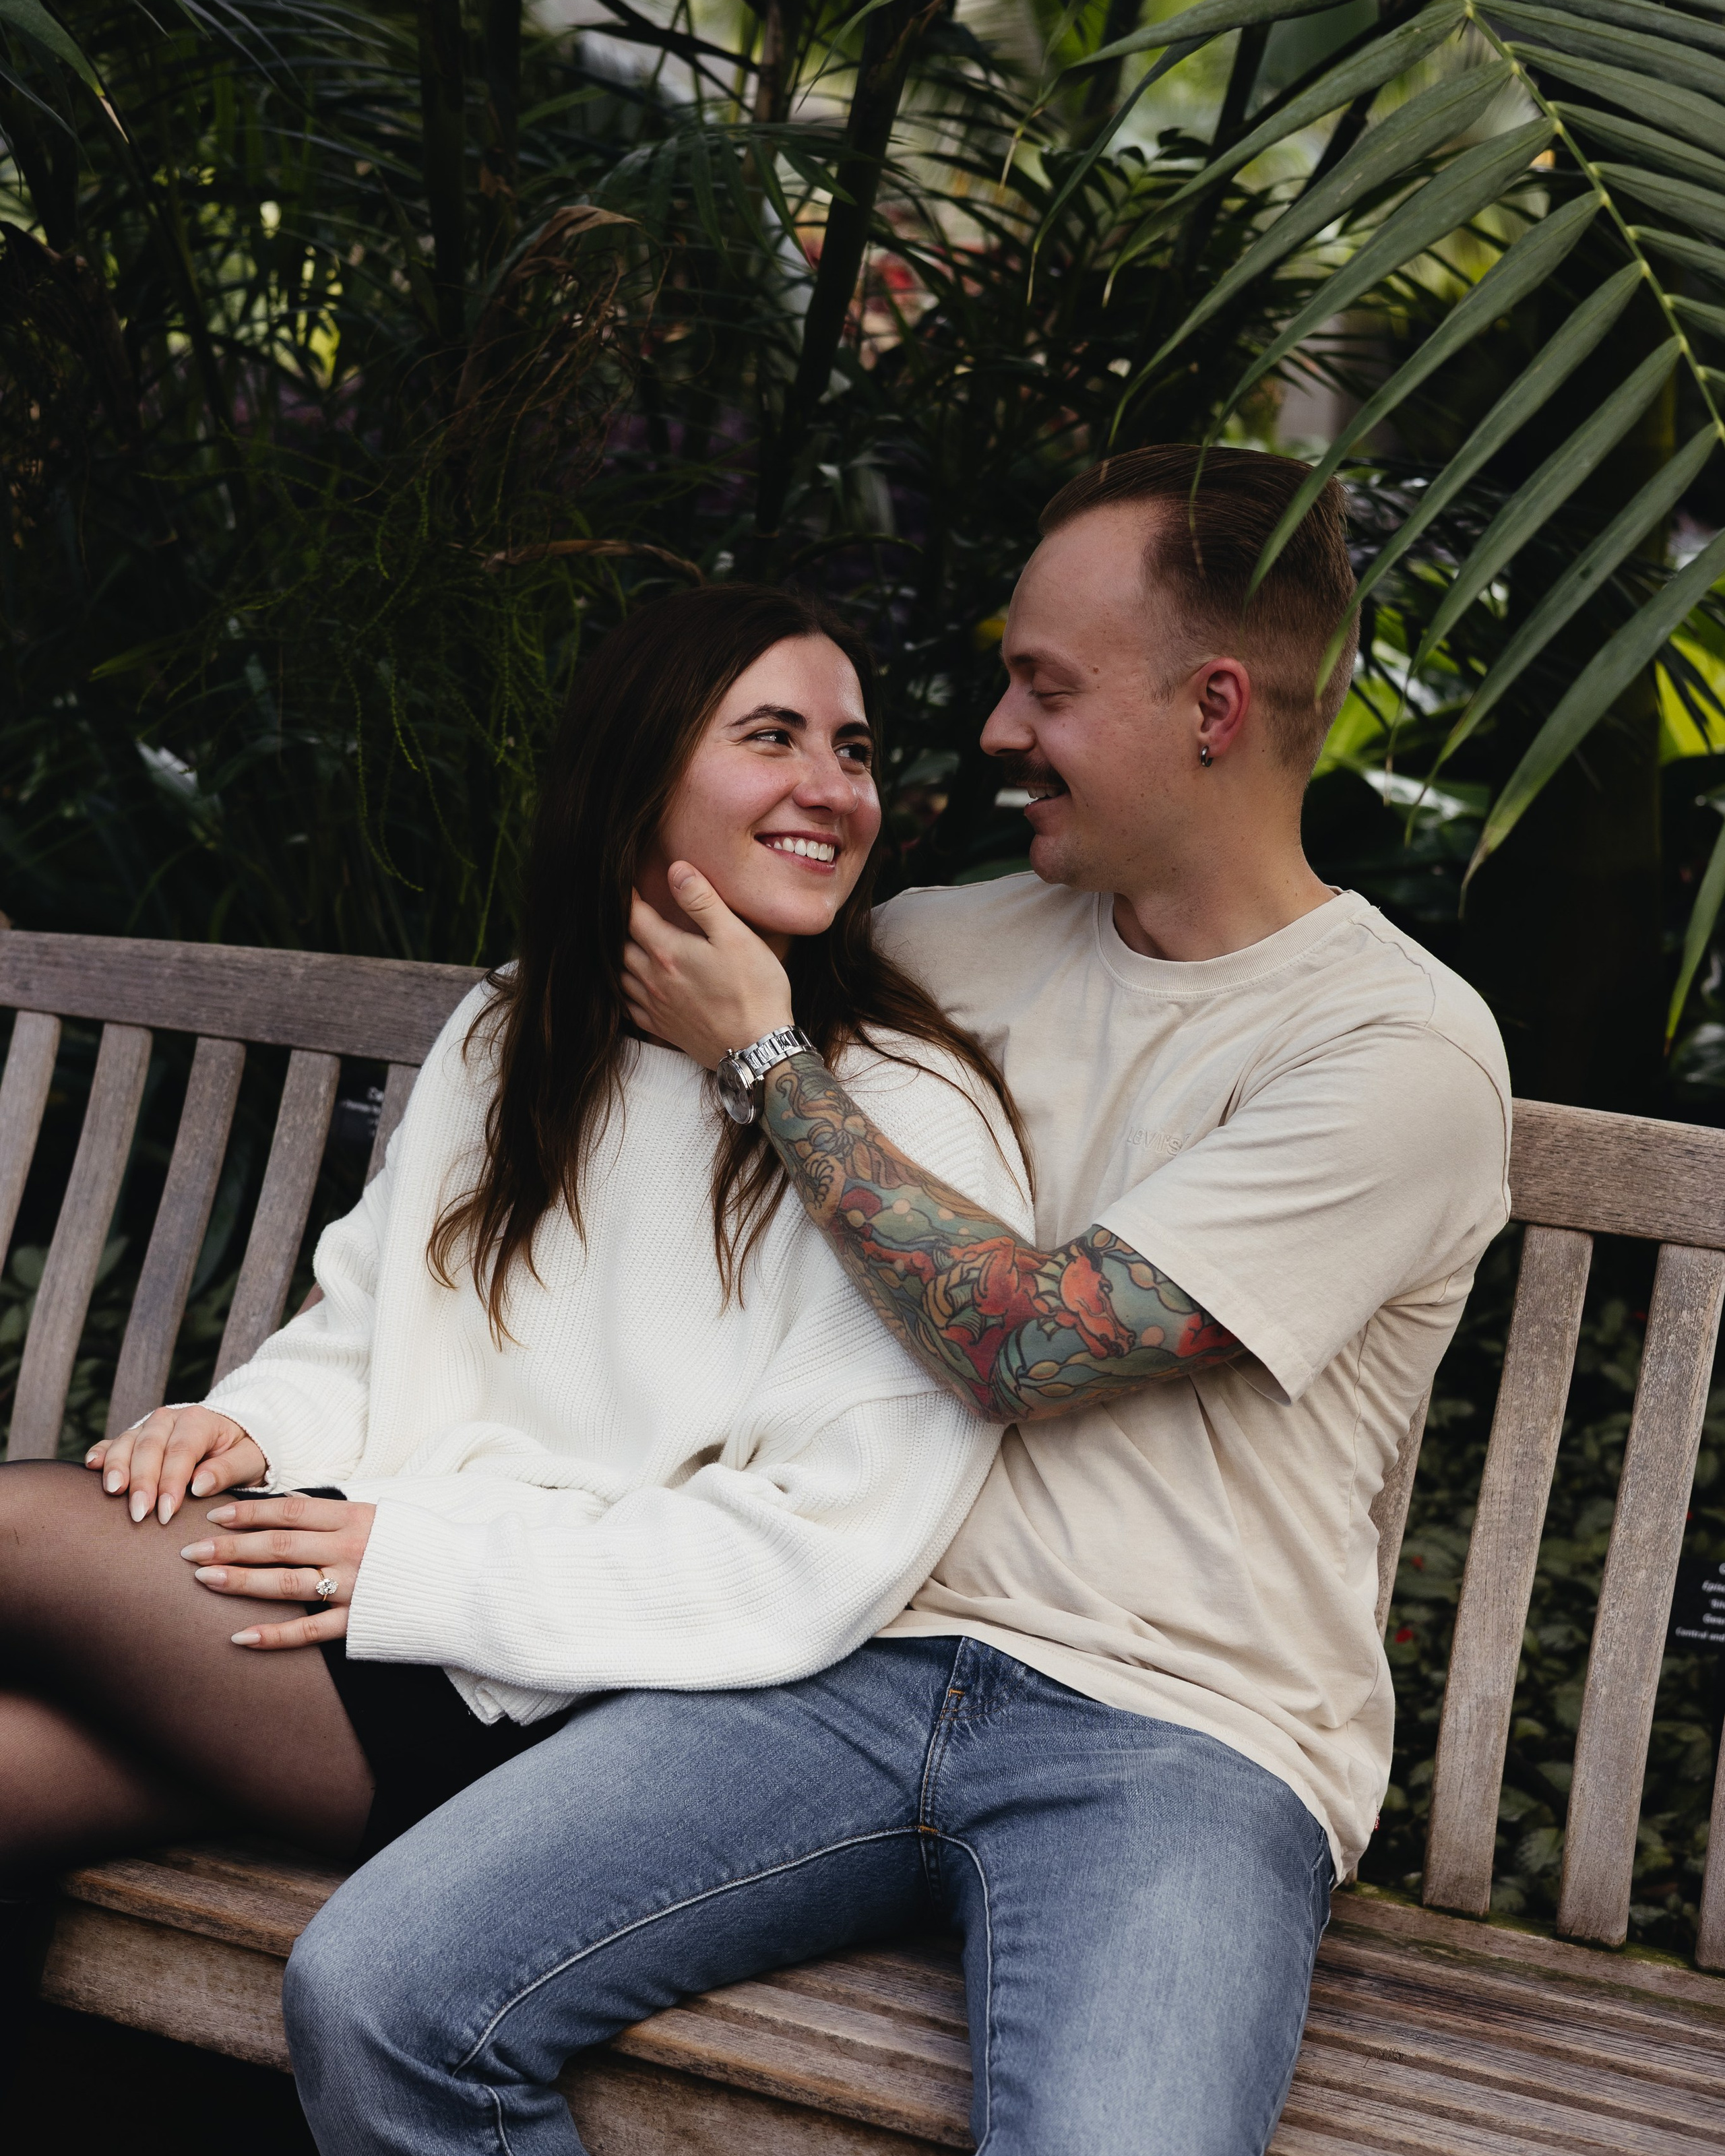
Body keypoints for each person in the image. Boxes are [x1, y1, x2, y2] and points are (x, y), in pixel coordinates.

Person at [282, 446, 1511, 2156]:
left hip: (1180, 1734)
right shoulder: (945, 941)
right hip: (831, 1665)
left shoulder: (1392, 1054)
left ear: (1212, 707)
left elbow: (1024, 1341)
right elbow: (623, 1027)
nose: (997, 731)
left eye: (1043, 684)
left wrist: (770, 1059)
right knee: (379, 1993)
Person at [0, 583, 1033, 2091]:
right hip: (375, 1605)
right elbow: (374, 1317)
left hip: (564, 1703)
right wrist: (257, 1425)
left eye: (855, 749)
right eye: (772, 736)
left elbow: (822, 1548)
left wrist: (423, 1571)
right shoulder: (513, 1031)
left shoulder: (893, 1120)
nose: (831, 786)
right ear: (640, 770)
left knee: (17, 1541)